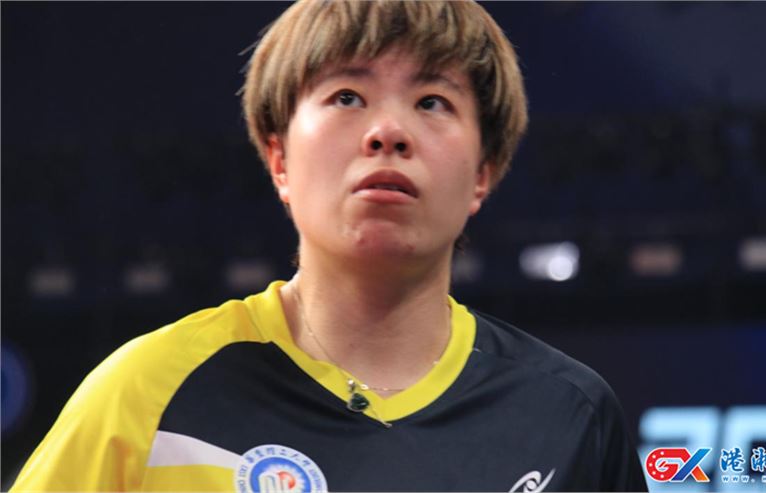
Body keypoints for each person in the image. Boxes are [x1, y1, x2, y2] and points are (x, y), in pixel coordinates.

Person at [12, 1, 647, 491]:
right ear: (279, 159)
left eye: (432, 101)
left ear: (483, 173)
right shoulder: (145, 393)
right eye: (347, 96)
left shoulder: (571, 416)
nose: (388, 131)